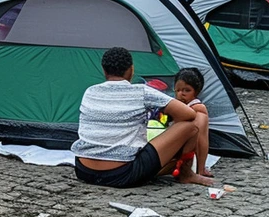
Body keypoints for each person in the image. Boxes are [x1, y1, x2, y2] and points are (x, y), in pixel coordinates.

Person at [72, 47, 213, 188]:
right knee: (191, 126)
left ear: (104, 70)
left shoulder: (89, 92)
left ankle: (177, 168)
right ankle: (186, 174)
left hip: (84, 170)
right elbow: (189, 115)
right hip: (122, 173)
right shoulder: (142, 91)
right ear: (131, 70)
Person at [171, 67, 210, 177]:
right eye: (178, 90)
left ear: (196, 92)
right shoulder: (174, 104)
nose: (181, 94)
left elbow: (201, 139)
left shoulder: (197, 107)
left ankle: (200, 168)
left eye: (187, 90)